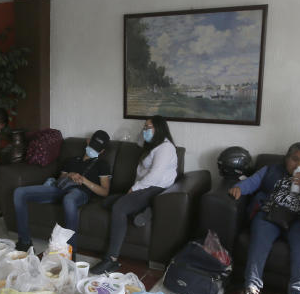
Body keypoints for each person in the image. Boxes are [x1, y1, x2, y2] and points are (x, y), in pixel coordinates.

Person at [229, 142, 300, 294]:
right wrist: (239, 187)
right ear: (286, 158)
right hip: (269, 214)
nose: (299, 165)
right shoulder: (271, 169)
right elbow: (253, 181)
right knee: (259, 241)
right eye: (295, 159)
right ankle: (252, 290)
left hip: (299, 220)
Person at [92, 116, 178, 274]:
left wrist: (135, 188)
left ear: (159, 128)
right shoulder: (153, 145)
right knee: (106, 202)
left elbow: (156, 175)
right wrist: (144, 134)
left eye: (148, 127)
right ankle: (146, 210)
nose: (145, 130)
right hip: (146, 189)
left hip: (155, 188)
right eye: (144, 127)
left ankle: (111, 259)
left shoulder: (166, 148)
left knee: (118, 208)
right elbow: (139, 142)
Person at [13, 130, 112, 253]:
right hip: (59, 189)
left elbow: (104, 191)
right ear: (87, 141)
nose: (93, 149)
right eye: (92, 145)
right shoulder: (72, 160)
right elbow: (60, 180)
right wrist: (69, 175)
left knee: (69, 199)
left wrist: (84, 180)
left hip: (79, 192)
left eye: (97, 149)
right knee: (19, 192)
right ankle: (25, 241)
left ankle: (70, 251)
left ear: (102, 151)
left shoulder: (102, 164)